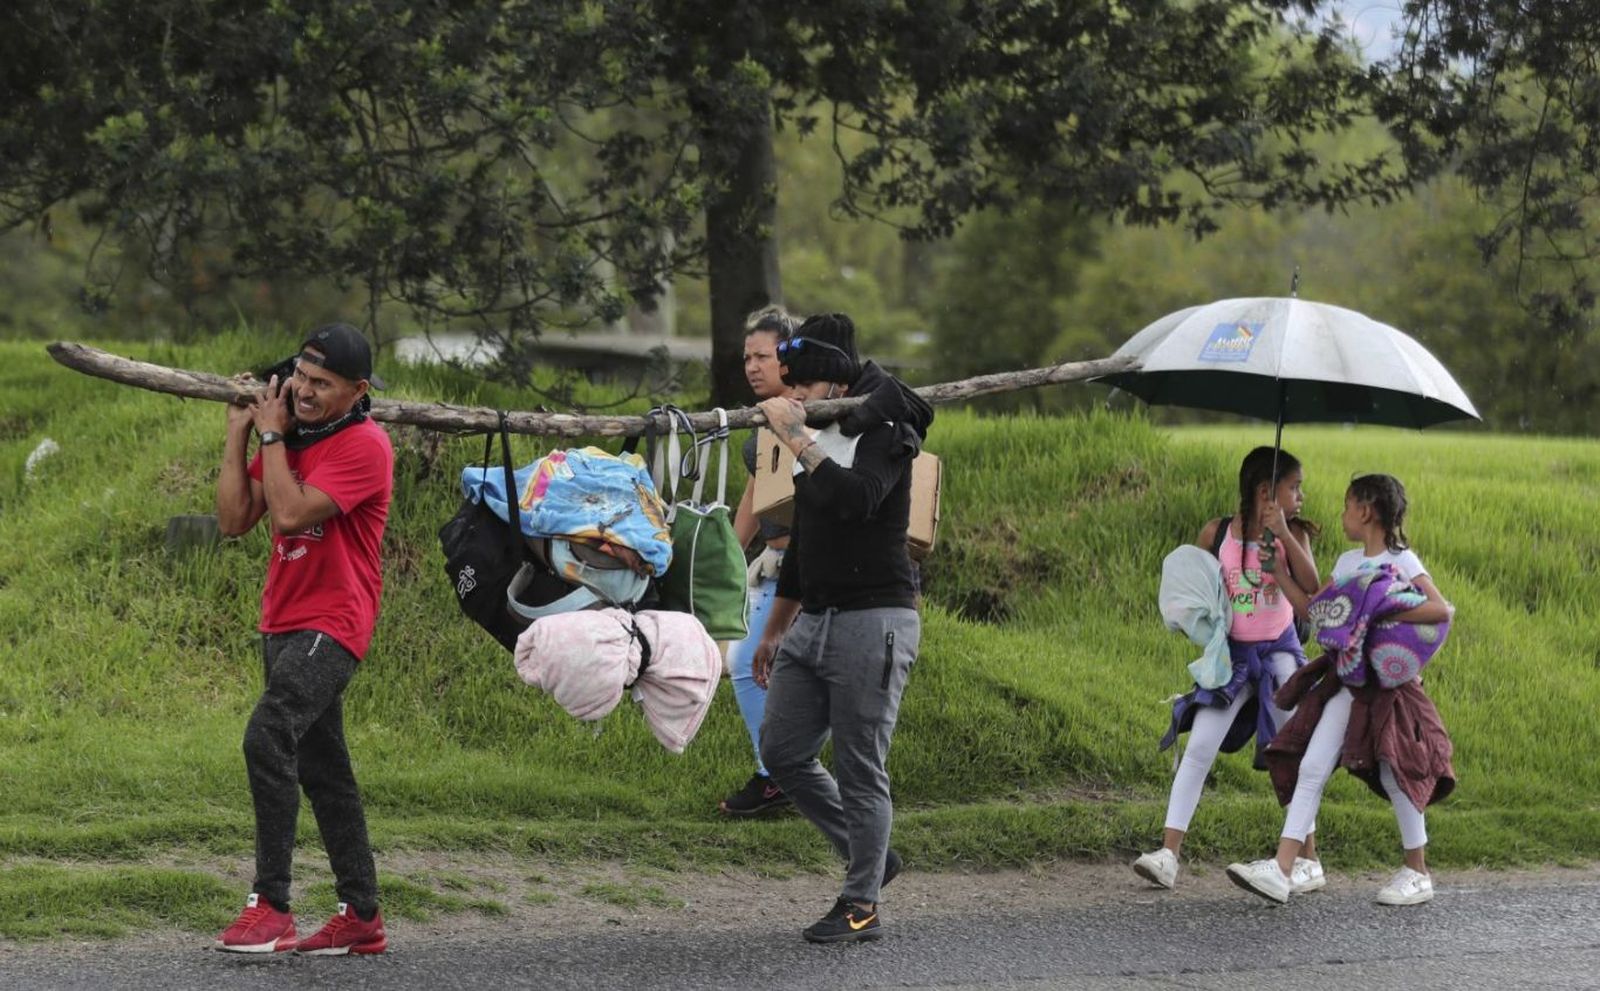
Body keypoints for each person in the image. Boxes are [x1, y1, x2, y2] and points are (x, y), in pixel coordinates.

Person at [213, 323, 394, 955]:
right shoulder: (290, 438)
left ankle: (272, 906)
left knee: (267, 735)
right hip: (283, 619)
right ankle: (362, 914)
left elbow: (289, 514)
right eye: (301, 377)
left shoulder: (366, 445)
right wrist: (240, 433)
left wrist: (270, 434)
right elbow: (234, 519)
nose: (306, 391)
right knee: (324, 769)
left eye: (322, 383)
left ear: (358, 390)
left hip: (334, 622)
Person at [752, 312, 933, 943]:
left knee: (860, 768)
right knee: (781, 751)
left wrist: (796, 440)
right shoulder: (817, 432)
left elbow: (857, 499)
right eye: (791, 386)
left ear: (837, 385)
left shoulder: (888, 430)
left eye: (804, 386)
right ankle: (872, 857)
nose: (795, 396)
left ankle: (862, 904)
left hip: (875, 621)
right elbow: (804, 541)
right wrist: (775, 628)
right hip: (815, 620)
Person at [1227, 473, 1454, 906]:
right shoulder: (1348, 563)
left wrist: (1375, 613)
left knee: (1393, 771)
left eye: (1347, 506)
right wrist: (1278, 571)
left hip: (1387, 687)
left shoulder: (1402, 561)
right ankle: (1283, 868)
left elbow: (1439, 609)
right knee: (1312, 765)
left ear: (1365, 511)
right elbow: (1315, 610)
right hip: (1347, 682)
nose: (1342, 514)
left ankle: (1418, 872)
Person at [1133, 446, 1323, 892]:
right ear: (1265, 492)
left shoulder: (1294, 533)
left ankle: (1309, 860)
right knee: (1200, 745)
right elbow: (1193, 582)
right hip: (1231, 661)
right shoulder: (1218, 533)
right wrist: (1199, 620)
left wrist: (1283, 538)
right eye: (1294, 487)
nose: (1301, 496)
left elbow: (1314, 588)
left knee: (1289, 755)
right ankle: (1168, 855)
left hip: (1278, 656)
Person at [718, 306, 804, 817]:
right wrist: (727, 557)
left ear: (788, 358)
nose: (751, 366)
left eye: (763, 357)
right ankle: (785, 775)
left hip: (801, 567)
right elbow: (755, 495)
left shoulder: (804, 414)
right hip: (773, 565)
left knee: (752, 668)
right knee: (759, 669)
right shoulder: (766, 416)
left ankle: (779, 777)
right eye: (747, 357)